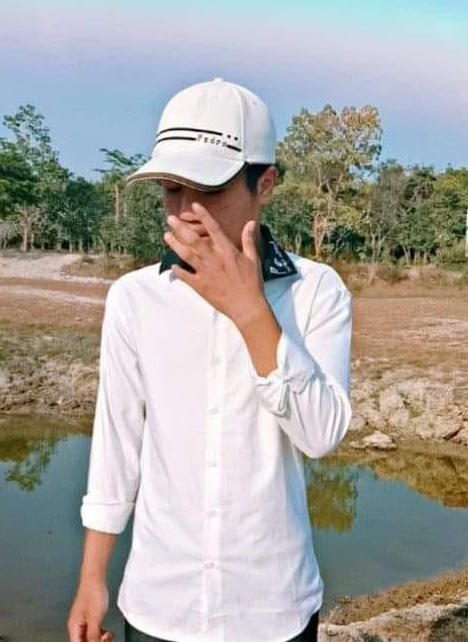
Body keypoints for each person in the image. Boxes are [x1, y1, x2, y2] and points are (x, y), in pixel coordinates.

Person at [67, 77, 353, 642]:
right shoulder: (135, 298)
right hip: (159, 605)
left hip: (274, 607)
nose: (186, 210)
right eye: (172, 188)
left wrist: (250, 311)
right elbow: (117, 444)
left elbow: (321, 435)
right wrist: (92, 579)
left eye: (209, 188)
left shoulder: (317, 291)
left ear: (264, 183)